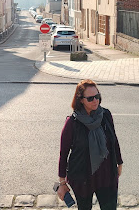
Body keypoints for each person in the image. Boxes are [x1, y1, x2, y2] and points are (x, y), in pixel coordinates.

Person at [57, 79, 123, 210]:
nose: (95, 101)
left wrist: (119, 163)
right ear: (81, 100)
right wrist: (62, 182)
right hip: (83, 177)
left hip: (106, 173)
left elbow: (113, 140)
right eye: (90, 98)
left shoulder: (106, 115)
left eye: (97, 96)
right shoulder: (72, 123)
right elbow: (63, 153)